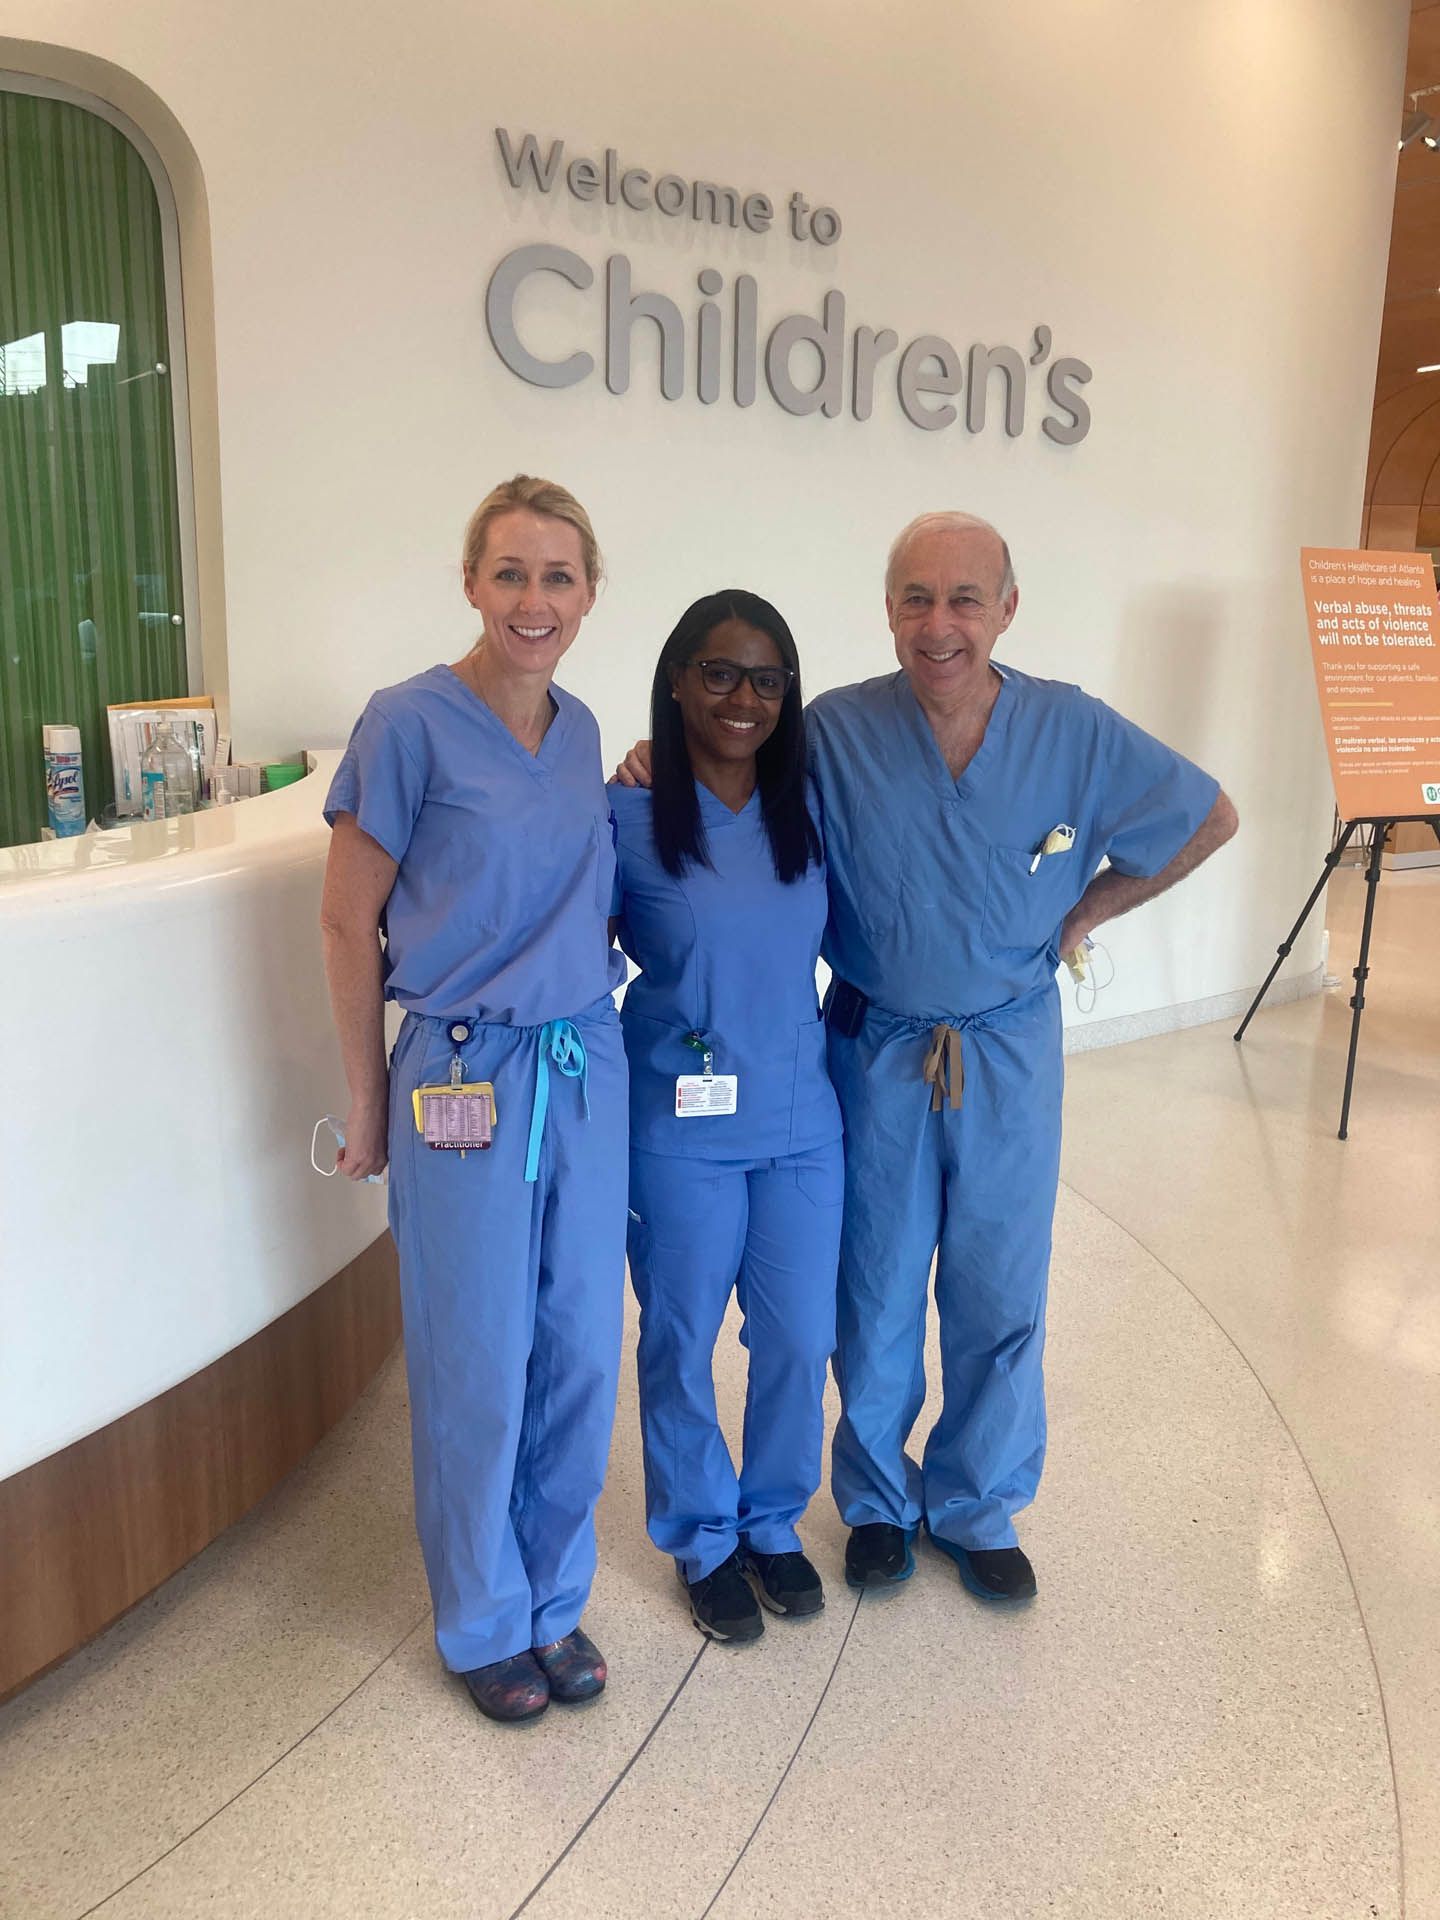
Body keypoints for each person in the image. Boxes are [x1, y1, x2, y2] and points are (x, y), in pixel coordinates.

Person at [616, 511, 1237, 1606]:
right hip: (876, 1043)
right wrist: (647, 758)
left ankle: (975, 1502)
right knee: (876, 1284)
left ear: (1007, 608)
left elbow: (1209, 815)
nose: (938, 624)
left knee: (1002, 1285)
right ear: (888, 609)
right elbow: (730, 770)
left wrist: (1085, 913)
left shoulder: (1074, 732)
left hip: (1006, 1047)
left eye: (963, 599)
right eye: (915, 598)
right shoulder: (840, 731)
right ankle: (873, 1501)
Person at [320, 475, 629, 1723]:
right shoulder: (407, 725)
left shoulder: (588, 730)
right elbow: (347, 919)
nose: (534, 599)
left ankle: (556, 1596)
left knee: (577, 1352)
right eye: (511, 572)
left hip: (583, 1062)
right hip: (460, 1076)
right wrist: (367, 1101)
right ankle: (485, 1617)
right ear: (470, 581)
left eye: (559, 576)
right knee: (478, 1358)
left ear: (591, 592)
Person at [611, 591, 843, 1643]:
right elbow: (573, 957)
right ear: (675, 680)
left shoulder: (810, 809)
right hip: (681, 1130)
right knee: (680, 1336)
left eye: (766, 679)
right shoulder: (625, 815)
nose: (743, 698)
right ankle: (702, 1537)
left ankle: (772, 1521)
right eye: (718, 673)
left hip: (801, 1121)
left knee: (798, 1337)